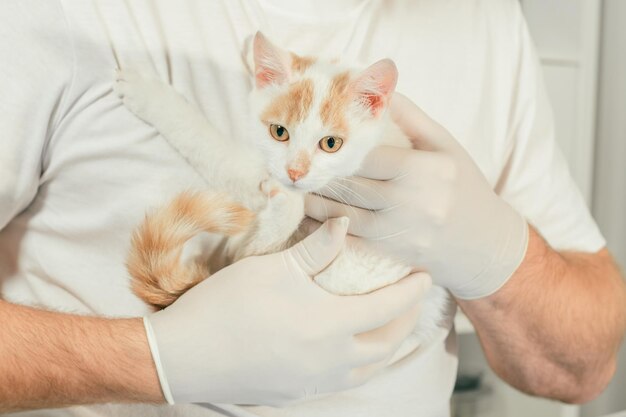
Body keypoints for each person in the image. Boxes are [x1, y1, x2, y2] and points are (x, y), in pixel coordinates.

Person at [1, 1, 624, 416]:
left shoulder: (482, 19)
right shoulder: (61, 14)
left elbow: (585, 369)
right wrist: (153, 358)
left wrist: (496, 255)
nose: (298, 166)